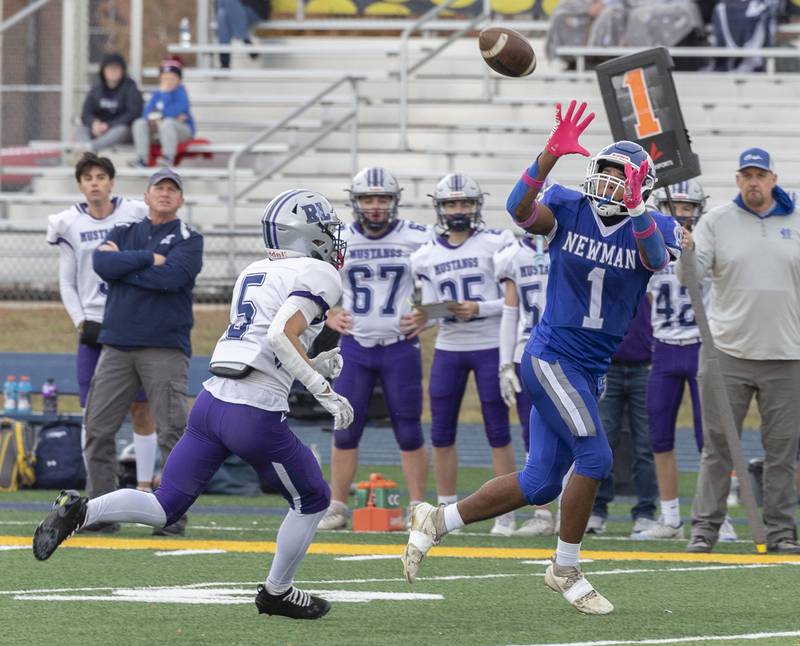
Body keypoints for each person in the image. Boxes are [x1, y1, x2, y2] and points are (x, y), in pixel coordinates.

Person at [402, 100, 681, 615]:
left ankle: (437, 520)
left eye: (622, 177)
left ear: (641, 183)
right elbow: (519, 209)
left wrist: (640, 209)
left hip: (589, 368)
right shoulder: (569, 207)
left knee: (539, 483)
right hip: (551, 357)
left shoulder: (655, 226)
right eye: (606, 174)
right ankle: (565, 567)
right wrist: (548, 156)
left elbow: (655, 260)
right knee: (595, 458)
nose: (609, 183)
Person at [33, 188, 353, 620]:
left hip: (211, 402)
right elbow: (280, 334)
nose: (332, 238)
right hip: (253, 411)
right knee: (313, 498)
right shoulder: (320, 273)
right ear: (306, 234)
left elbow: (264, 343)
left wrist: (314, 362)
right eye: (326, 229)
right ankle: (277, 591)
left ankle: (81, 510)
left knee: (166, 505)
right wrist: (322, 388)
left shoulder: (255, 270)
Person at [677, 148, 800, 554]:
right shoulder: (716, 222)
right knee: (718, 448)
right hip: (727, 352)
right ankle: (704, 530)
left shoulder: (796, 218)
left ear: (773, 179)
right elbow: (690, 278)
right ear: (736, 180)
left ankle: (782, 531)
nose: (753, 182)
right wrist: (687, 250)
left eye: (759, 175)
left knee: (781, 451)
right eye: (746, 175)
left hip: (787, 353)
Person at [82, 167, 203, 536]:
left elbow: (173, 280)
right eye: (159, 188)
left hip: (164, 347)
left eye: (172, 190)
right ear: (147, 196)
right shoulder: (122, 230)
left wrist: (126, 265)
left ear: (180, 199)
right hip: (117, 345)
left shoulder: (189, 238)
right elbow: (102, 264)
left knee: (173, 432)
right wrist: (149, 259)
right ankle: (101, 511)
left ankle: (171, 513)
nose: (165, 194)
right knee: (98, 428)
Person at [318, 167, 431, 531]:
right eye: (369, 198)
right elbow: (309, 281)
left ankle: (417, 508)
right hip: (355, 346)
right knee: (345, 425)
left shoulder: (417, 236)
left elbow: (448, 276)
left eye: (383, 198)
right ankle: (337, 506)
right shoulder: (339, 238)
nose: (376, 206)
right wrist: (327, 313)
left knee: (409, 428)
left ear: (394, 202)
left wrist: (430, 315)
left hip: (400, 346)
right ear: (356, 202)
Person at [410, 173, 518, 536]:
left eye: (465, 203)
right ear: (440, 208)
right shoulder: (425, 254)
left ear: (476, 206)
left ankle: (505, 514)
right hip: (449, 347)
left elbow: (511, 302)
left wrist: (478, 308)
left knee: (498, 432)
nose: (459, 210)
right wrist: (416, 319)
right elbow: (428, 310)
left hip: (489, 345)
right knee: (440, 433)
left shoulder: (496, 242)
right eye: (452, 204)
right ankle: (446, 509)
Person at [45, 153, 157, 499]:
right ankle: (94, 488)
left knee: (141, 408)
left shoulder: (135, 213)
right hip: (93, 325)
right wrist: (80, 320)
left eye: (100, 176)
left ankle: (143, 486)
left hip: (131, 323)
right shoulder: (68, 223)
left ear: (111, 182)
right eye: (88, 177)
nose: (94, 182)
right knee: (91, 410)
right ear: (80, 185)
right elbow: (67, 282)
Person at [494, 233, 556, 536]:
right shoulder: (513, 255)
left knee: (576, 433)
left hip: (565, 353)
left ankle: (574, 507)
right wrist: (506, 364)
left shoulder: (570, 248)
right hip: (526, 353)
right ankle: (542, 512)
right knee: (532, 434)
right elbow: (510, 313)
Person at [588, 295, 658, 537]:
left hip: (646, 364)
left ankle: (646, 511)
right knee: (603, 439)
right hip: (610, 363)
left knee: (646, 442)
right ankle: (596, 508)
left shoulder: (657, 261)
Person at [131, 57, 195, 167]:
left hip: (181, 131)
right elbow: (146, 113)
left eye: (172, 78)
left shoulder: (181, 92)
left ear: (179, 80)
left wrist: (165, 96)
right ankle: (142, 159)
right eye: (165, 78)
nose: (168, 82)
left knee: (168, 123)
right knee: (139, 123)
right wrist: (155, 118)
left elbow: (177, 110)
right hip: (158, 131)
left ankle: (168, 158)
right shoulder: (156, 93)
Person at [76, 53, 143, 152]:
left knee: (121, 130)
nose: (113, 72)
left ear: (122, 70)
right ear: (103, 71)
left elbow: (133, 113)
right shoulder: (96, 88)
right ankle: (86, 149)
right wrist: (94, 123)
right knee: (81, 129)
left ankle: (90, 148)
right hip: (98, 128)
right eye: (109, 69)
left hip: (119, 130)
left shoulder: (130, 88)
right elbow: (86, 113)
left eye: (116, 69)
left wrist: (109, 125)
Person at [216, 0, 270, 69]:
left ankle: (224, 63)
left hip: (255, 11)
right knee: (222, 15)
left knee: (226, 8)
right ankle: (246, 40)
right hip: (233, 11)